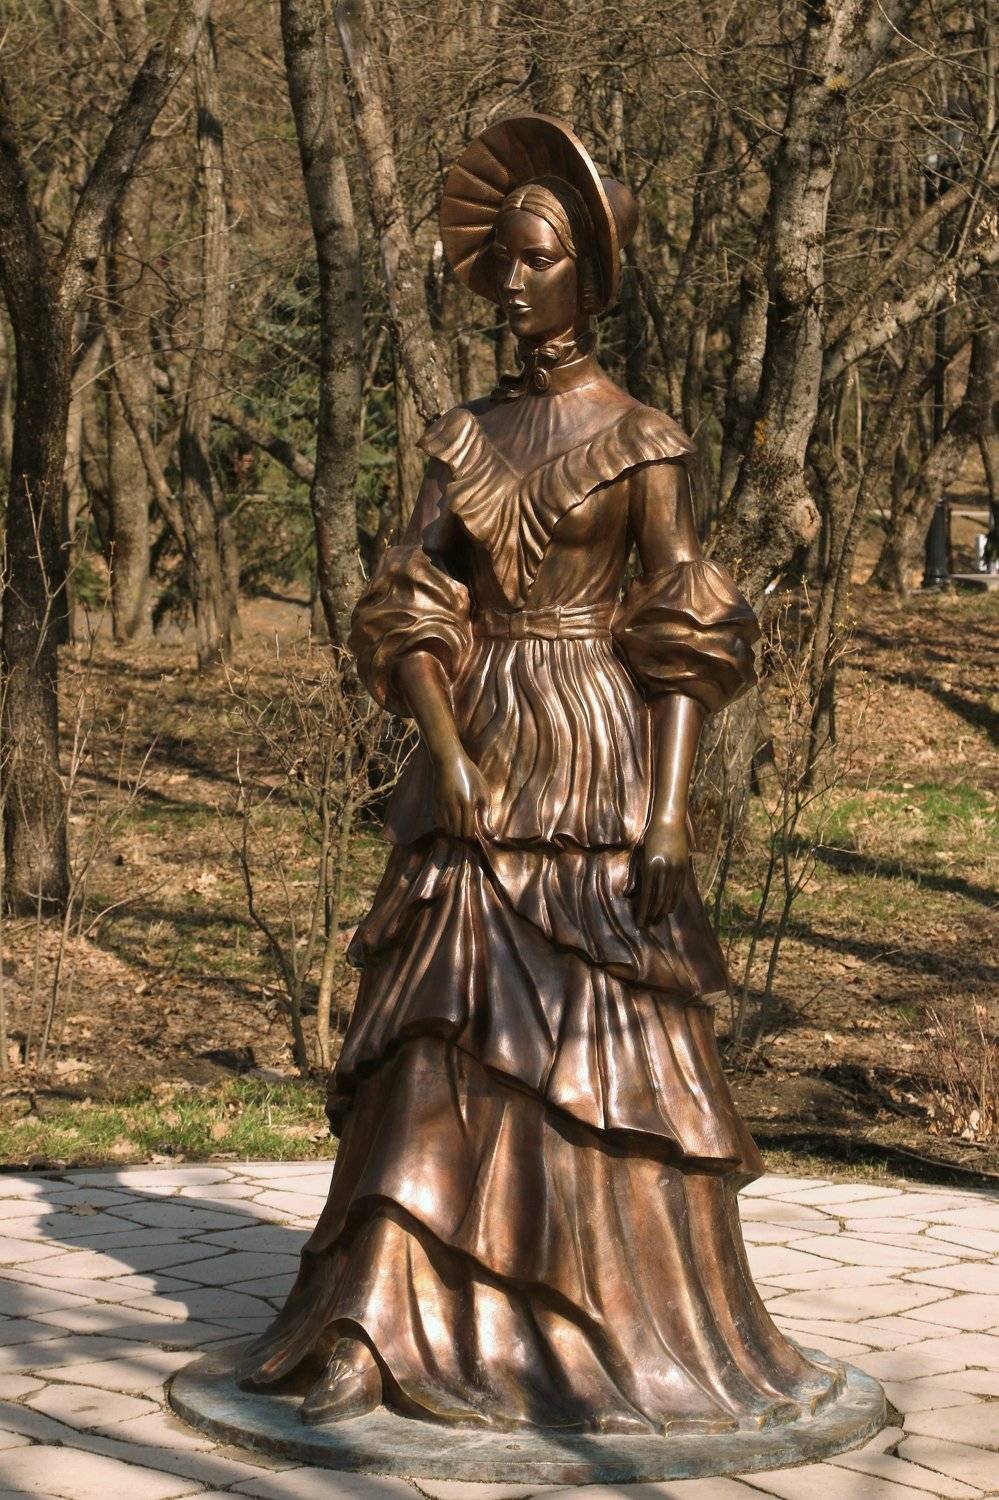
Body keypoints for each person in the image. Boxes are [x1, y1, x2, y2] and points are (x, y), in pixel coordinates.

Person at [241, 114, 842, 1434]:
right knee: (437, 1033)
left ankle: (600, 1315)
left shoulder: (644, 440)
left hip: (597, 758)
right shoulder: (464, 436)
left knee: (600, 1041)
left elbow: (683, 633)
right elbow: (408, 605)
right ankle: (377, 1323)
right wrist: (443, 748)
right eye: (501, 260)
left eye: (537, 259)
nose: (510, 284)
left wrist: (668, 813)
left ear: (589, 274)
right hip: (478, 750)